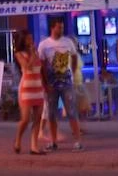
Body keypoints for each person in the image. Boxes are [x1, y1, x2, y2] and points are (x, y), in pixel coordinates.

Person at [37, 18, 83, 151]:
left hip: (66, 83)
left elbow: (74, 57)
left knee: (72, 111)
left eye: (62, 27)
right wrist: (45, 83)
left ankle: (77, 141)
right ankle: (53, 141)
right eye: (59, 27)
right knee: (51, 113)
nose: (61, 30)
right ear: (52, 28)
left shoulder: (68, 42)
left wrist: (72, 73)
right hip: (51, 84)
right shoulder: (44, 45)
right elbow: (42, 66)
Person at [13, 30, 45, 155]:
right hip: (26, 88)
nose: (31, 41)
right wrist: (32, 54)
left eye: (31, 38)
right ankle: (18, 139)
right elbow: (27, 67)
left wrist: (45, 85)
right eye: (28, 39)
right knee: (25, 119)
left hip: (38, 87)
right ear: (23, 40)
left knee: (38, 118)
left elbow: (40, 69)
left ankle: (34, 146)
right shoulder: (19, 54)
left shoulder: (36, 52)